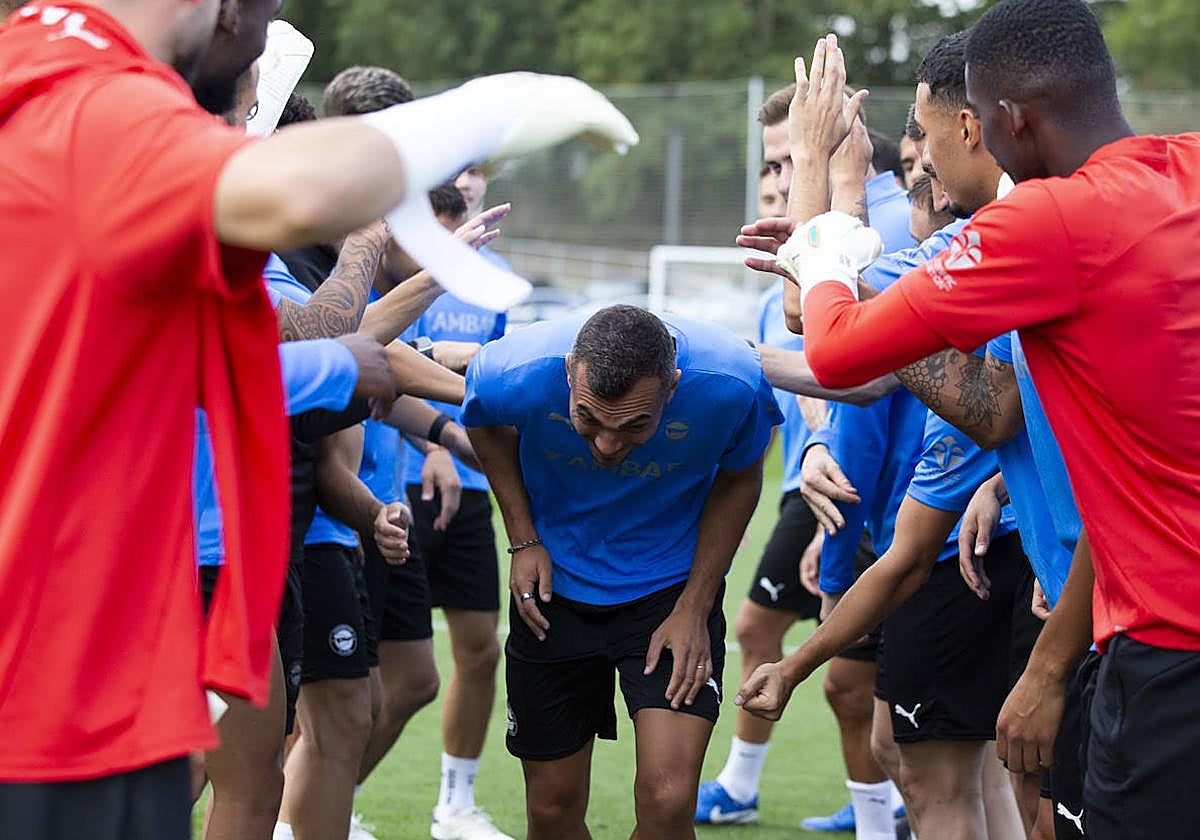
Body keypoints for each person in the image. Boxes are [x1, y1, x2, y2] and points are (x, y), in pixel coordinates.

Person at [0, 0, 637, 833]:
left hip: (107, 601)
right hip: (68, 646)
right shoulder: (87, 90)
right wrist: (485, 110)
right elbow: (299, 192)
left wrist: (342, 368)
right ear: (224, 9)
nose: (268, 42)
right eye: (268, 13)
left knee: (265, 759)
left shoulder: (46, 71)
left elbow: (169, 357)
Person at [748, 4, 1200, 837]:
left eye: (935, 136)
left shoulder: (1044, 220)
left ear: (1001, 123)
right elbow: (1012, 413)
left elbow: (837, 346)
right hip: (1110, 608)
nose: (935, 159)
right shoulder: (1186, 167)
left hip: (1167, 645)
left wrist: (818, 227)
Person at [462, 305, 782, 840]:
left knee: (668, 801)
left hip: (668, 595)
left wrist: (694, 607)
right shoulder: (512, 368)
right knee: (550, 809)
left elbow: (742, 474)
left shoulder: (732, 382)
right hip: (553, 593)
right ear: (569, 373)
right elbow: (482, 424)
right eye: (588, 418)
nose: (609, 444)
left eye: (635, 424)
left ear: (673, 387)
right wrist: (523, 537)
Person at [697, 90, 903, 836]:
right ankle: (755, 786)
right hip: (817, 474)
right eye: (773, 164)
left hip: (870, 482)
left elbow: (847, 365)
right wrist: (813, 442)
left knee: (856, 684)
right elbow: (811, 375)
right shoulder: (788, 260)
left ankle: (881, 804)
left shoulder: (871, 238)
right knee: (773, 637)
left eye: (794, 158)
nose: (781, 178)